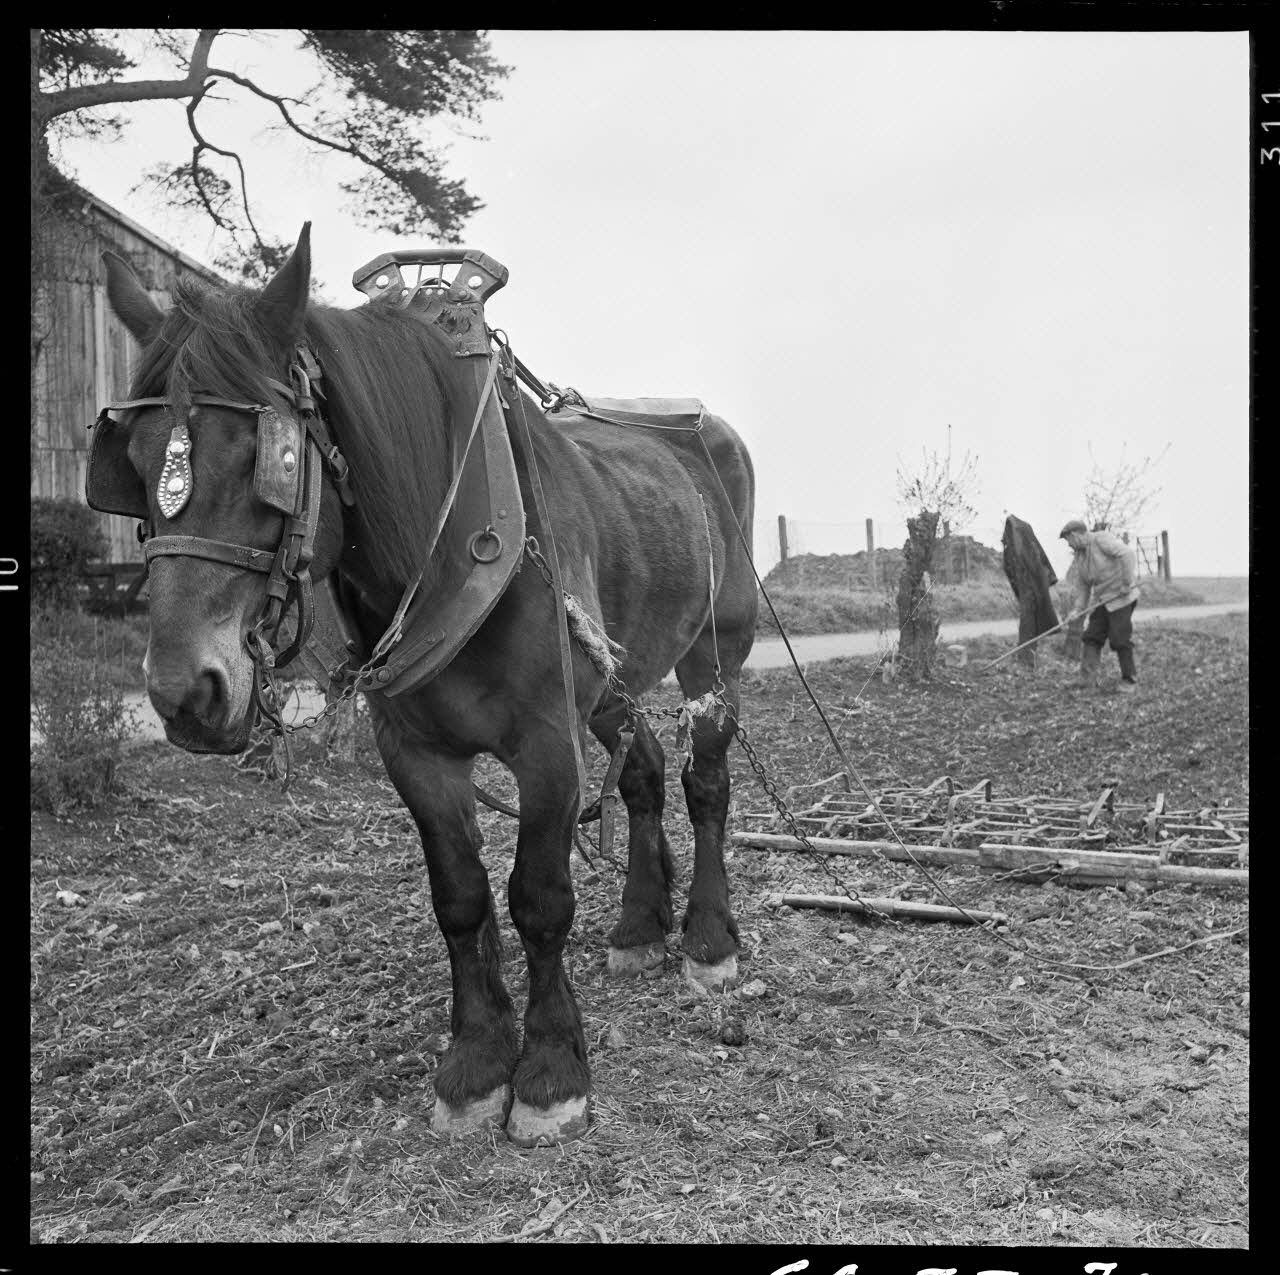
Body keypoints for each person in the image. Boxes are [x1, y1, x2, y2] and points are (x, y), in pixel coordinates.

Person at [1059, 520, 1140, 692]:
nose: (1069, 545)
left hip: (1122, 597)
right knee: (1092, 636)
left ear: (1075, 535)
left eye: (1069, 540)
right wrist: (1077, 610)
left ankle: (1129, 680)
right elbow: (1083, 589)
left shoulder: (1101, 539)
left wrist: (1126, 583)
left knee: (1119, 638)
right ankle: (1086, 680)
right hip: (1104, 600)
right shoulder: (1080, 558)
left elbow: (1127, 554)